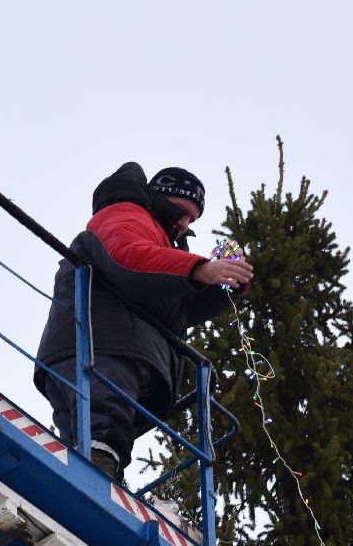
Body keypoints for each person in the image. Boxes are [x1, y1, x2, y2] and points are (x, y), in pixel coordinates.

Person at [34, 163, 255, 480]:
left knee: (91, 437)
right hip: (103, 345)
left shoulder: (164, 246)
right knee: (101, 424)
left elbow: (179, 312)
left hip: (113, 351)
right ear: (159, 197)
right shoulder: (126, 213)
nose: (184, 224)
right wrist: (198, 269)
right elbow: (129, 256)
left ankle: (96, 475)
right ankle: (99, 473)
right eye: (181, 211)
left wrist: (224, 285)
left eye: (192, 220)